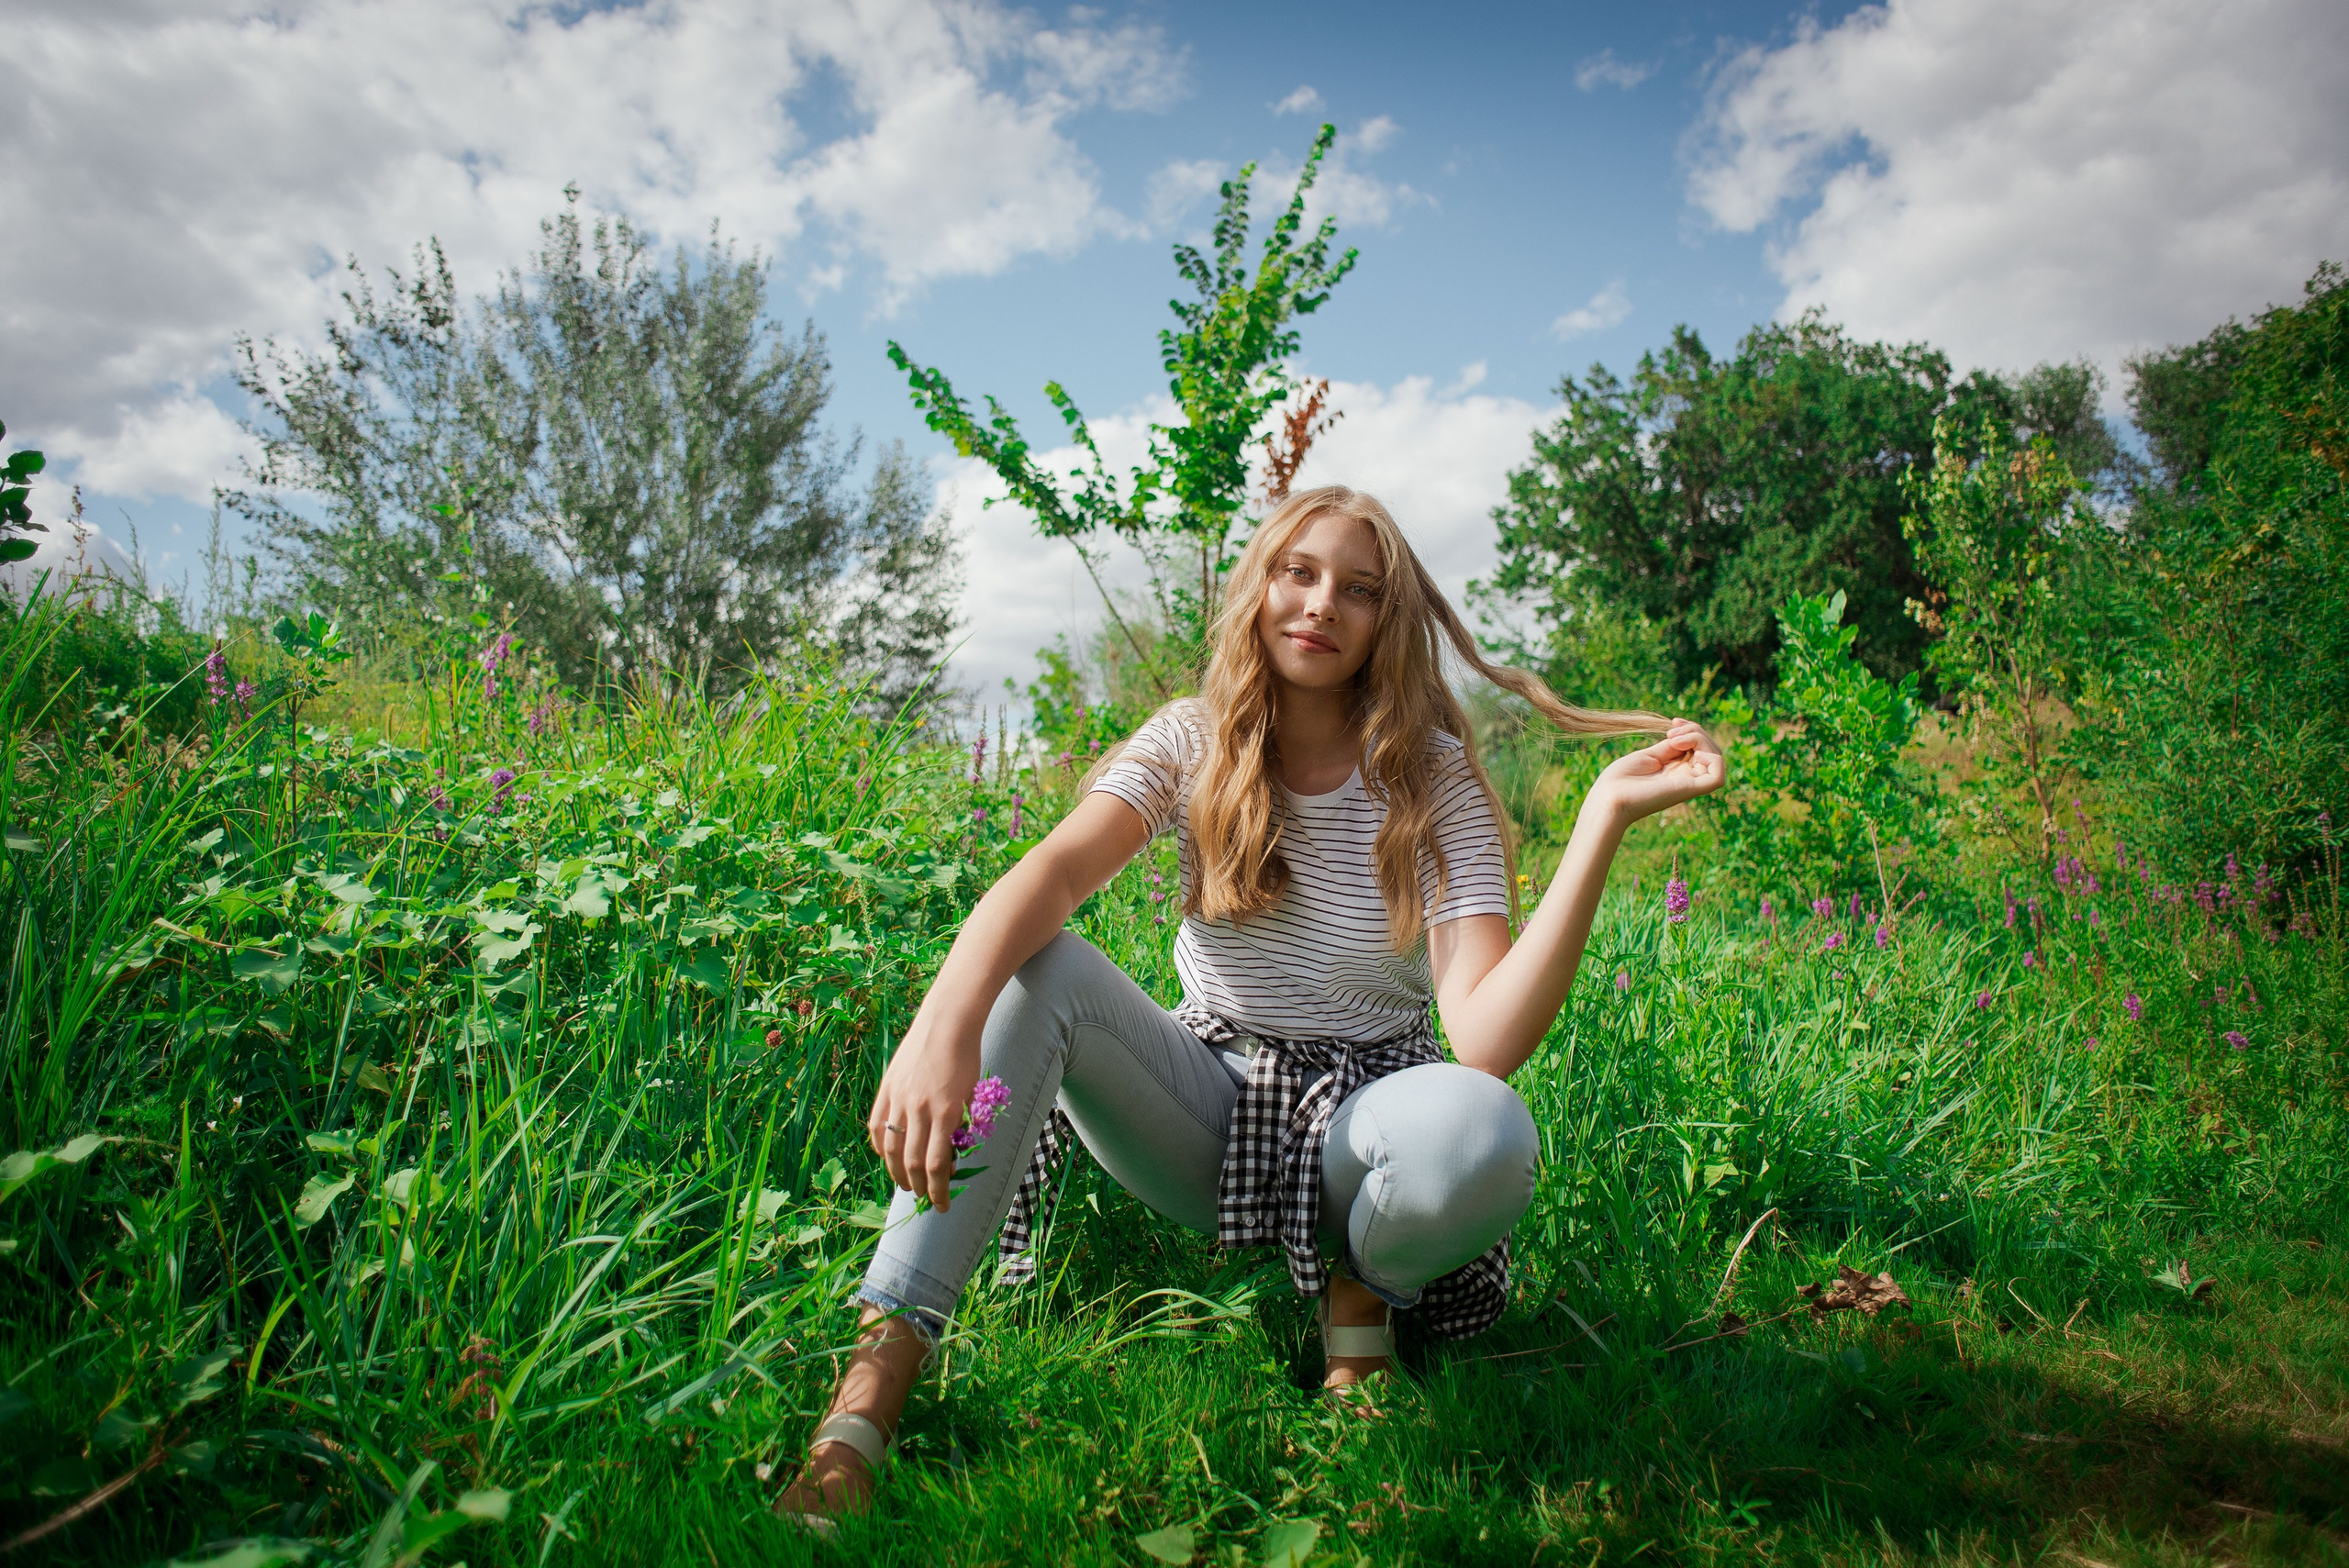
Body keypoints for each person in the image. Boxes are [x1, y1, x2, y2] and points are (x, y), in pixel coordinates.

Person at [775, 485, 1724, 1529]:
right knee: (1033, 967)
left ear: (1389, 619)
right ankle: (862, 1411)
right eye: (1297, 573)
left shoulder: (1432, 776)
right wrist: (939, 1029)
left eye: (1359, 589)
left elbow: (1485, 1038)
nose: (1321, 604)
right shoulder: (1193, 739)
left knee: (1486, 1126)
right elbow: (1052, 873)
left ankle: (1360, 1310)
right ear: (1258, 587)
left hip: (1373, 1124)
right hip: (1213, 1108)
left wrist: (1600, 821)